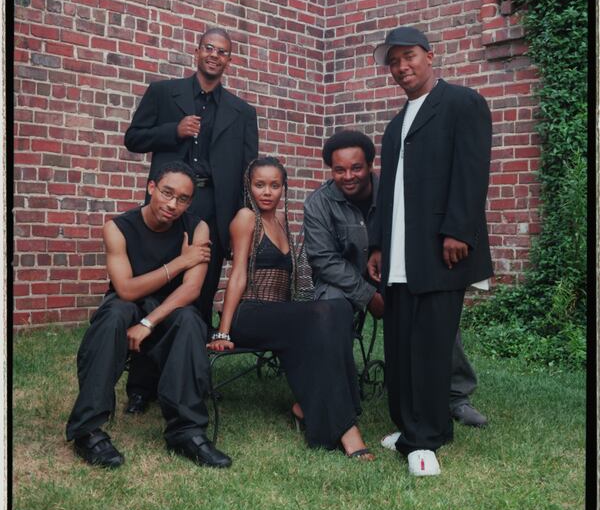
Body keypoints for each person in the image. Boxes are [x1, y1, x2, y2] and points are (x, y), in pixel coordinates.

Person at [367, 27, 493, 476]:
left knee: (431, 345)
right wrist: (378, 244)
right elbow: (390, 194)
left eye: (408, 57)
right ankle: (407, 426)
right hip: (400, 256)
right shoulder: (396, 123)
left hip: (442, 251)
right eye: (393, 62)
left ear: (429, 56)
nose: (401, 67)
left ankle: (427, 438)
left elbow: (472, 170)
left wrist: (458, 229)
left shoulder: (462, 103)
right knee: (400, 343)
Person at [303, 129, 487, 430]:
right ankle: (338, 396)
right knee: (328, 308)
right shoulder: (318, 204)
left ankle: (456, 397)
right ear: (331, 170)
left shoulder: (396, 193)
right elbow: (324, 260)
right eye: (339, 169)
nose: (348, 176)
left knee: (435, 306)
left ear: (371, 165)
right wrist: (367, 295)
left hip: (397, 273)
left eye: (356, 167)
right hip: (343, 281)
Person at [123, 27, 259, 414]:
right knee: (156, 292)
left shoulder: (242, 112)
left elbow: (249, 172)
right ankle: (140, 387)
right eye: (209, 48)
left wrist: (237, 229)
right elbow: (133, 138)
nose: (215, 56)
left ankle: (188, 382)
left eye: (224, 52)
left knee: (198, 297)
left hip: (215, 209)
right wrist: (173, 131)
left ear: (229, 60)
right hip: (170, 206)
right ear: (197, 51)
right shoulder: (164, 94)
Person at [65, 162, 231, 469]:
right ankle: (87, 431)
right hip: (126, 307)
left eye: (182, 199)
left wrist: (148, 323)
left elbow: (191, 290)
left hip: (166, 310)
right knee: (114, 314)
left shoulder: (198, 227)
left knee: (190, 320)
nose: (172, 204)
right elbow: (126, 288)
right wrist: (181, 262)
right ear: (151, 187)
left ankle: (186, 431)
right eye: (167, 193)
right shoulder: (117, 228)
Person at [208, 156, 373, 459]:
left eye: (274, 185)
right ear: (249, 186)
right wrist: (223, 331)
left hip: (280, 318)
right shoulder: (246, 218)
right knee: (331, 310)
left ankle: (307, 407)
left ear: (284, 188)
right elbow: (238, 275)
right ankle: (347, 429)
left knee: (336, 309)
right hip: (250, 315)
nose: (267, 192)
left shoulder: (282, 221)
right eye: (260, 185)